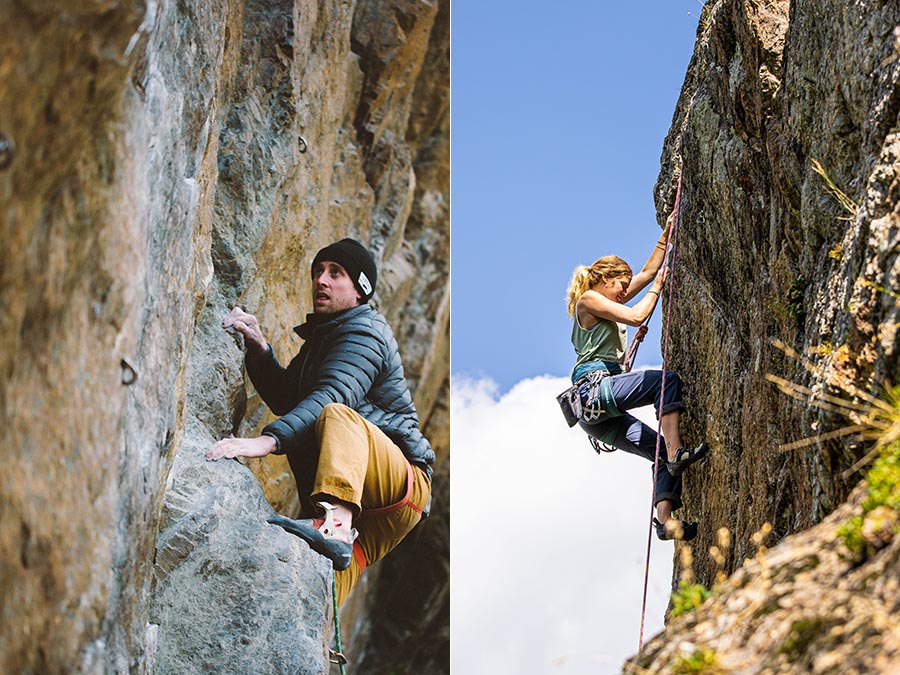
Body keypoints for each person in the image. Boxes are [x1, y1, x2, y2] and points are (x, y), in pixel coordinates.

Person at [205, 238, 434, 604]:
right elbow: (287, 399)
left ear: (359, 290)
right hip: (368, 508)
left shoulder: (365, 334)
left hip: (397, 484)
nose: (321, 281)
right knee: (318, 592)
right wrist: (259, 348)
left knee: (338, 416)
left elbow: (332, 397)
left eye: (335, 273)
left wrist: (265, 443)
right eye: (318, 272)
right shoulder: (324, 339)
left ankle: (337, 526)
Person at [565, 216, 707, 541]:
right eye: (620, 285)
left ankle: (665, 520)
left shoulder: (604, 302)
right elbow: (637, 314)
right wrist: (657, 290)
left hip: (596, 412)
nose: (624, 292)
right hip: (594, 391)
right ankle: (676, 453)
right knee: (666, 381)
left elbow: (647, 273)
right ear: (602, 279)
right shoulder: (588, 300)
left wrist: (666, 234)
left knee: (653, 452)